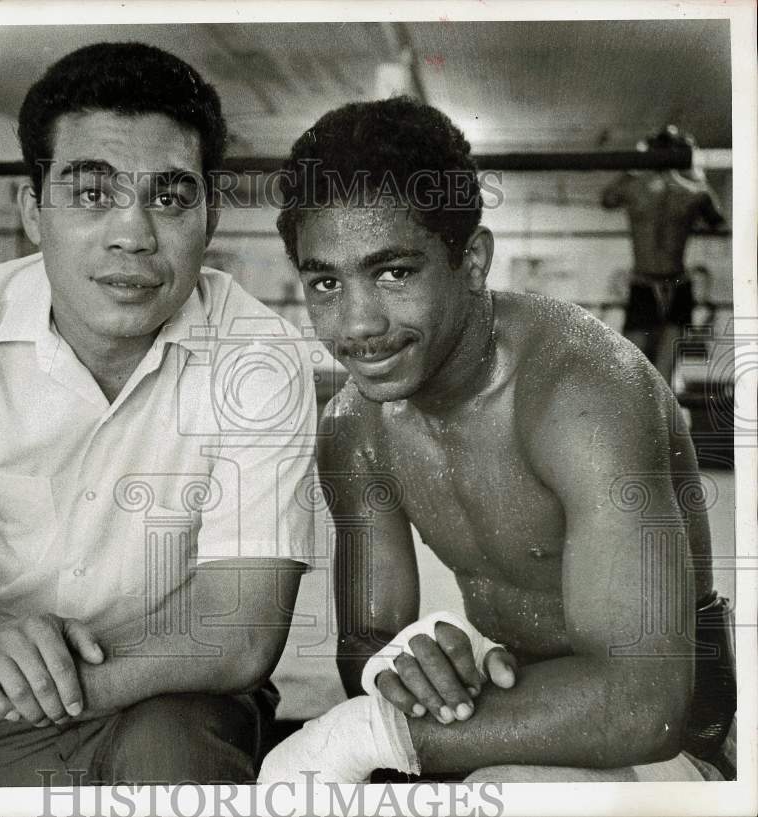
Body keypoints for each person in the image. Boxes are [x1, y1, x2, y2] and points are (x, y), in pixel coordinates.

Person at [0, 42, 318, 788]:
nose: (133, 232)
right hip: (12, 696)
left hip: (188, 689)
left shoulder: (260, 354)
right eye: (92, 193)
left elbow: (241, 629)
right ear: (32, 210)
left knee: (172, 756)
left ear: (210, 215)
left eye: (169, 195)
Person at [258, 98, 735, 783]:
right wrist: (408, 662)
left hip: (673, 734)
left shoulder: (579, 394)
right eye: (326, 281)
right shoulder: (355, 427)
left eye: (394, 272)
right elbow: (365, 642)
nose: (357, 323)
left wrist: (369, 727)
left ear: (473, 259)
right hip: (516, 691)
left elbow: (644, 703)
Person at [601, 125, 726, 384]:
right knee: (640, 367)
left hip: (669, 283)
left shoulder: (635, 188)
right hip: (656, 283)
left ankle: (658, 424)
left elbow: (607, 199)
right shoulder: (693, 192)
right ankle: (651, 422)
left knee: (643, 370)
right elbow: (717, 220)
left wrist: (635, 164)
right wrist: (695, 174)